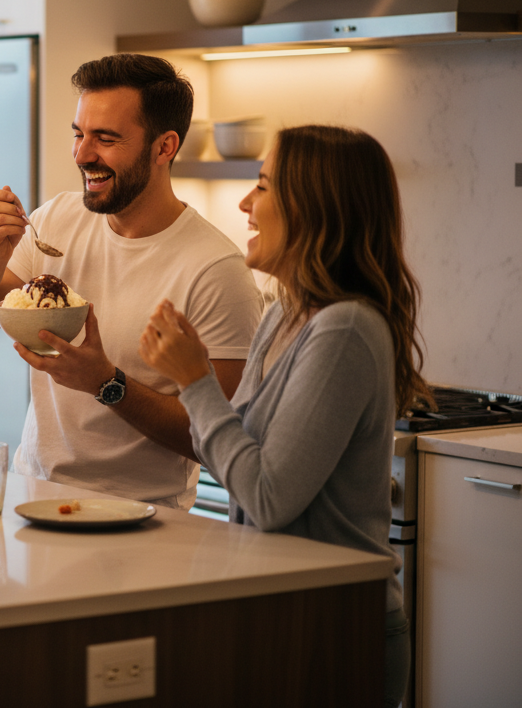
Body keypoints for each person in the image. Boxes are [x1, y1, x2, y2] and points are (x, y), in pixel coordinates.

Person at [139, 125, 423, 707]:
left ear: (314, 206)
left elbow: (267, 498)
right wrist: (186, 379)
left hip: (340, 627)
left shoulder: (344, 329)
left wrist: (195, 380)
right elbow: (229, 453)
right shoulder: (283, 314)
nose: (246, 202)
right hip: (288, 611)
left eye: (263, 186)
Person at [0, 54, 262, 509]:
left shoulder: (215, 270)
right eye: (79, 134)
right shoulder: (55, 219)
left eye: (105, 139)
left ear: (164, 147)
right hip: (34, 501)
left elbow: (220, 441)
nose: (82, 154)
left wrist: (106, 383)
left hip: (145, 520)